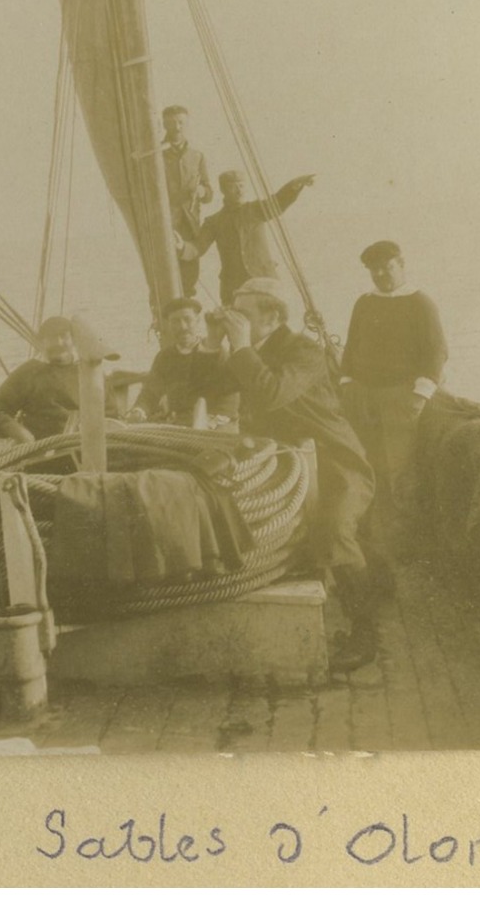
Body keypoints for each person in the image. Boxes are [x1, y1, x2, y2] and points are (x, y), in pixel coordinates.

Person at [207, 277, 379, 673]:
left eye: (243, 312)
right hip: (287, 460)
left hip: (338, 461)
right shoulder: (254, 348)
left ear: (271, 316)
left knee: (335, 531)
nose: (234, 317)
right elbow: (210, 385)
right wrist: (215, 343)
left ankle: (365, 633)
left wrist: (242, 346)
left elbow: (270, 392)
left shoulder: (305, 351)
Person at [340, 240, 448, 561]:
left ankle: (409, 548)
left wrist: (420, 395)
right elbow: (350, 347)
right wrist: (347, 383)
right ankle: (377, 545)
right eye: (375, 269)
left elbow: (436, 353)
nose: (381, 275)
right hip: (363, 400)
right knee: (369, 469)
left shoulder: (420, 303)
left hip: (400, 400)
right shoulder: (365, 303)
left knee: (399, 471)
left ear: (401, 264)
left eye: (387, 267)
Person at [178, 170, 315, 305]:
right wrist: (181, 246)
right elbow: (197, 248)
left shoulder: (256, 209)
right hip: (234, 288)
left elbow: (278, 202)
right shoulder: (214, 221)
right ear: (223, 189)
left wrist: (294, 185)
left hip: (265, 282)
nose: (239, 190)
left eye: (242, 185)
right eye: (233, 186)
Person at [0, 316, 118, 443]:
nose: (58, 343)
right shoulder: (28, 372)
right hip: (46, 451)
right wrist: (19, 432)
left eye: (63, 336)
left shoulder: (90, 372)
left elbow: (111, 413)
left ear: (73, 340)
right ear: (42, 342)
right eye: (51, 338)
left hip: (86, 444)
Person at [126, 297, 238, 426]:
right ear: (168, 324)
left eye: (187, 319)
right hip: (177, 424)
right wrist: (139, 410)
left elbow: (230, 397)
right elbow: (151, 392)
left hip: (211, 425)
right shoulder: (164, 357)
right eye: (175, 321)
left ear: (197, 321)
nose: (183, 327)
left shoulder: (216, 353)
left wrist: (213, 421)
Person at [161, 105, 213, 297]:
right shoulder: (157, 154)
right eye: (172, 122)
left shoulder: (197, 156)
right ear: (164, 125)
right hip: (164, 224)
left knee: (189, 278)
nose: (177, 127)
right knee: (163, 278)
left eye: (181, 122)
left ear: (187, 124)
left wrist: (202, 191)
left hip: (190, 226)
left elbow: (209, 194)